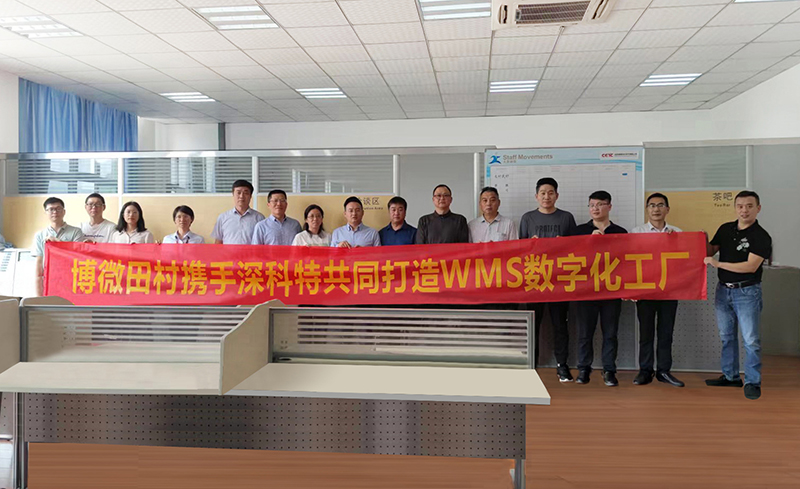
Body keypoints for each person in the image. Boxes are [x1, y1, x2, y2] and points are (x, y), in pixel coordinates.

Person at [704, 190, 771, 401]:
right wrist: (700, 239)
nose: (744, 210)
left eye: (749, 206)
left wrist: (718, 264)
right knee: (727, 336)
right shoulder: (725, 229)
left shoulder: (761, 236)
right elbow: (709, 251)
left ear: (758, 209)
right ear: (735, 208)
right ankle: (730, 376)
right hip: (723, 290)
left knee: (751, 340)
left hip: (747, 292)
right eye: (740, 206)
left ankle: (752, 382)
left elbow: (751, 266)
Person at [518, 177, 577, 382]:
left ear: (557, 195)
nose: (546, 197)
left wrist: (564, 244)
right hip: (534, 280)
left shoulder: (566, 218)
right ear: (536, 196)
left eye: (550, 193)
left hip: (559, 281)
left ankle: (562, 365)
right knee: (533, 324)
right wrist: (530, 245)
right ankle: (531, 364)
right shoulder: (527, 218)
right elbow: (519, 251)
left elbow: (576, 249)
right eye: (543, 193)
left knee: (560, 325)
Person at [573, 190, 627, 387]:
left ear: (609, 207)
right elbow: (569, 257)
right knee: (584, 333)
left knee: (610, 333)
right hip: (585, 290)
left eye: (600, 204)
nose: (595, 208)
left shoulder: (620, 232)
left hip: (611, 290)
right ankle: (583, 368)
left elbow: (626, 261)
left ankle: (609, 370)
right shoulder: (578, 231)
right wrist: (589, 240)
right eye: (591, 205)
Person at [630, 193, 684, 388]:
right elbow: (630, 261)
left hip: (669, 290)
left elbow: (683, 261)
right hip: (645, 290)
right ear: (647, 209)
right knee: (646, 333)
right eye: (652, 205)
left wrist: (674, 241)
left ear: (667, 209)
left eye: (660, 205)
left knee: (666, 332)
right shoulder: (637, 232)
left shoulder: (677, 232)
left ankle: (663, 371)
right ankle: (645, 370)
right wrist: (632, 289)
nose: (656, 209)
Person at [32, 197, 85, 296]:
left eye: (58, 209)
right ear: (46, 212)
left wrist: (58, 243)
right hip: (48, 282)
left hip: (70, 281)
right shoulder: (40, 235)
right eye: (51, 209)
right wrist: (38, 296)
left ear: (64, 211)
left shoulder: (76, 232)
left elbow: (77, 257)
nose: (55, 212)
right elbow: (39, 265)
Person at [211, 180, 265, 244]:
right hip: (228, 251)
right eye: (238, 193)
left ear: (250, 196)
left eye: (245, 193)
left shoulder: (259, 218)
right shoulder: (223, 217)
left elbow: (262, 242)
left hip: (251, 251)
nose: (241, 196)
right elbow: (218, 242)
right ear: (233, 194)